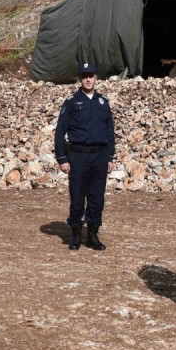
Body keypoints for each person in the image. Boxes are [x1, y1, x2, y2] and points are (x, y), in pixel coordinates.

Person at [54, 62, 115, 251]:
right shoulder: (72, 102)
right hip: (78, 156)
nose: (88, 79)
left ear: (96, 78)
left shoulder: (103, 102)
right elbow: (59, 132)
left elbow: (110, 132)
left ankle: (93, 235)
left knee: (97, 197)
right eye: (84, 76)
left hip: (100, 156)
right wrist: (62, 159)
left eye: (91, 75)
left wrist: (110, 157)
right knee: (78, 196)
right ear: (80, 78)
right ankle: (75, 235)